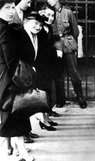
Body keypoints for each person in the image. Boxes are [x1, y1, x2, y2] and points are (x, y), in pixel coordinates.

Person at [0, 0, 34, 160]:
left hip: (4, 77)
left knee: (10, 115)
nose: (11, 10)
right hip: (9, 78)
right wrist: (21, 75)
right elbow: (10, 59)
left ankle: (14, 149)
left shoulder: (6, 27)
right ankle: (21, 152)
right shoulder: (4, 29)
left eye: (13, 7)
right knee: (17, 114)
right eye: (7, 7)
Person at [47, 0, 87, 109]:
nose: (48, 1)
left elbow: (75, 30)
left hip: (68, 44)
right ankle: (61, 99)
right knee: (58, 74)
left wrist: (69, 41)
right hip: (55, 45)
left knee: (74, 73)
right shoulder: (47, 11)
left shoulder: (67, 12)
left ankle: (80, 97)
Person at [11, 0, 40, 144]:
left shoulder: (33, 35)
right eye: (35, 24)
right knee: (22, 105)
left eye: (40, 25)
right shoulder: (21, 34)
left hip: (28, 72)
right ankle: (23, 135)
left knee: (27, 104)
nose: (38, 27)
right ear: (26, 23)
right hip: (21, 74)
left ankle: (27, 132)